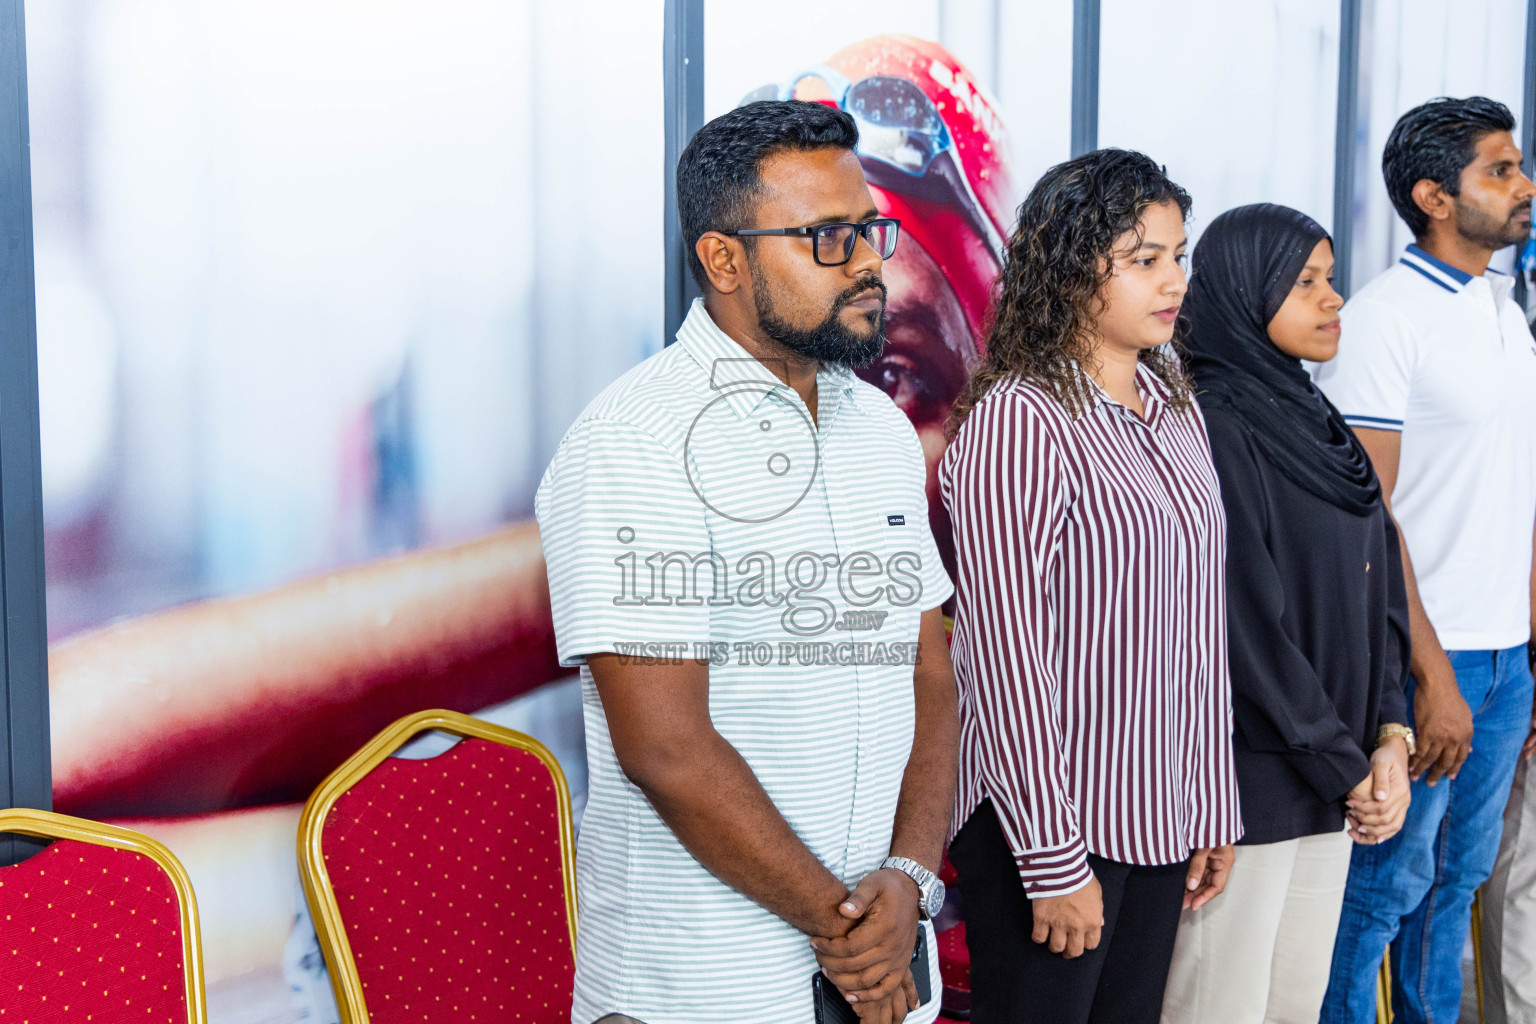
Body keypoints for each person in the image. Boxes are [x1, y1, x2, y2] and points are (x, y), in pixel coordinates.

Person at [535, 99, 959, 1024]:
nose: (867, 264)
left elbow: (929, 673)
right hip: (702, 987)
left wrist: (911, 883)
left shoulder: (879, 430)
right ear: (723, 259)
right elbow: (666, 748)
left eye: (870, 231)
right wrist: (849, 933)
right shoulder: (632, 443)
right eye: (827, 238)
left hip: (887, 975)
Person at [940, 148, 1242, 1024]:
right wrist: (1051, 858)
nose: (1174, 281)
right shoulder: (1022, 418)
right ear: (1072, 268)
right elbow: (1002, 656)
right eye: (1144, 261)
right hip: (1054, 821)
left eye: (1179, 255)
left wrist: (1209, 801)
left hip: (1157, 809)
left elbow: (1198, 626)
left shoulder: (1171, 396)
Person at [1158, 204, 1412, 1024]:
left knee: (1291, 1007)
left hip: (1334, 782)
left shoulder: (1318, 421)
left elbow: (1382, 590)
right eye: (1306, 284)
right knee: (1220, 1006)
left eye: (1330, 279)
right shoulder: (1215, 426)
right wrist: (1350, 766)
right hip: (1256, 785)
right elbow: (1244, 631)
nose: (1333, 299)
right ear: (1243, 292)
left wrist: (1390, 738)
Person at [1314, 96, 1536, 1024]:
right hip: (1426, 663)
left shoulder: (1503, 312)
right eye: (1500, 170)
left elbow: (1510, 494)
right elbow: (1373, 516)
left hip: (1505, 659)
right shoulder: (1384, 318)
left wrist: (1524, 647)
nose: (1524, 185)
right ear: (1433, 197)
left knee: (1456, 891)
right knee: (1378, 898)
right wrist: (1429, 671)